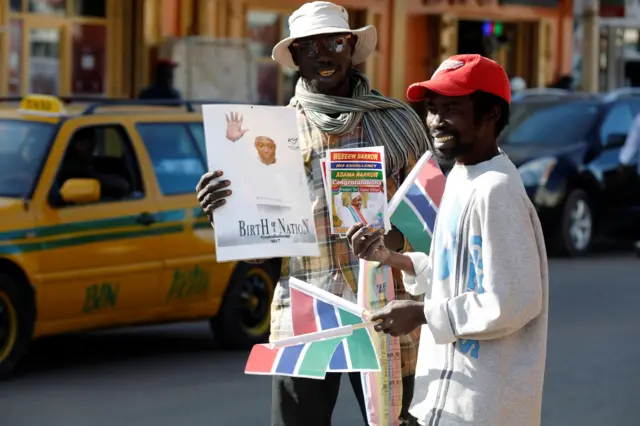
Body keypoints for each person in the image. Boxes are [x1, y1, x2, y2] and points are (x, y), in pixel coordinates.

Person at [196, 2, 431, 425]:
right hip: (306, 307)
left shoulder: (397, 122)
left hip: (386, 307)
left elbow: (432, 218)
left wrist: (391, 241)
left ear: (352, 46)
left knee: (393, 422)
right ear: (296, 58)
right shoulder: (270, 135)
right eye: (310, 48)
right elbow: (257, 249)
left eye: (335, 43)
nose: (324, 55)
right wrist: (224, 215)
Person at [347, 54, 549, 426]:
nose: (436, 122)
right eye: (432, 109)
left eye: (451, 109)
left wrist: (422, 314)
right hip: (448, 398)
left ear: (490, 114)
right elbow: (453, 276)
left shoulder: (496, 190)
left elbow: (514, 300)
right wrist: (391, 258)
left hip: (483, 405)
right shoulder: (460, 176)